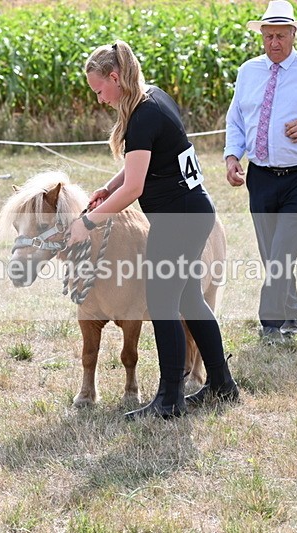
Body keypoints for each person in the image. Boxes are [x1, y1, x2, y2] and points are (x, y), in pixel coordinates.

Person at [67, 40, 239, 420]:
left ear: (115, 77)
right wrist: (107, 188)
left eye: (99, 90)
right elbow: (135, 168)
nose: (99, 99)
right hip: (192, 213)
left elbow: (135, 187)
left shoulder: (143, 117)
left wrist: (87, 222)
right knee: (190, 300)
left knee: (163, 304)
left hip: (178, 219)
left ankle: (169, 399)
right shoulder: (154, 98)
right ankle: (222, 385)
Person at [223, 0, 297, 344]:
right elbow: (236, 119)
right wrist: (233, 155)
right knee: (272, 253)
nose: (274, 42)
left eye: (281, 35)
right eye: (268, 36)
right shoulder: (248, 71)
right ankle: (292, 311)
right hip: (260, 177)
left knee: (282, 250)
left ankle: (271, 325)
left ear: (294, 34)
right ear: (261, 36)